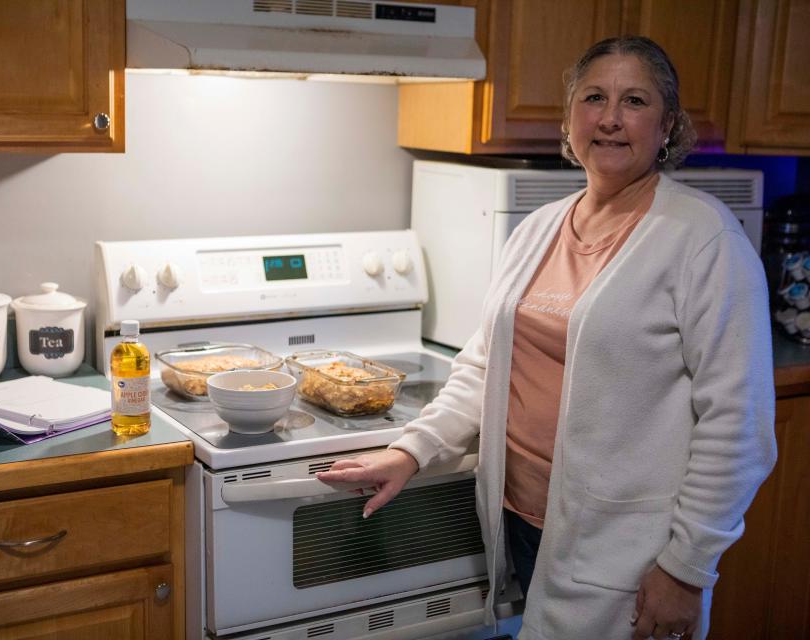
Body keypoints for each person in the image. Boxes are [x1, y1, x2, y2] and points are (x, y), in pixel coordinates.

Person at [317, 36, 776, 640]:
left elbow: (737, 427)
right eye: (594, 98)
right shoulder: (537, 230)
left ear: (666, 126)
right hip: (521, 524)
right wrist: (412, 449)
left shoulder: (703, 241)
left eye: (633, 100)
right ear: (569, 119)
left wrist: (687, 570)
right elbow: (486, 367)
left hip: (628, 551)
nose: (610, 117)